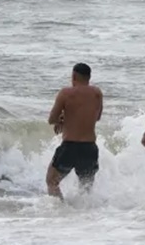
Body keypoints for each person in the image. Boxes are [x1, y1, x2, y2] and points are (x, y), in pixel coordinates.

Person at [45, 62, 103, 199]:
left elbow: (51, 119)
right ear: (89, 77)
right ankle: (86, 216)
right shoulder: (97, 93)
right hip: (90, 148)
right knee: (86, 188)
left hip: (70, 147)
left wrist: (61, 119)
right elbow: (97, 117)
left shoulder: (65, 93)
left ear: (74, 76)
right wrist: (68, 117)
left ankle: (61, 212)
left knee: (52, 181)